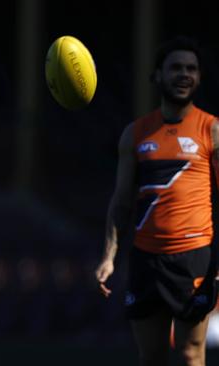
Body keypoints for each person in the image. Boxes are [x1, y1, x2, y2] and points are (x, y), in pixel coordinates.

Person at [95, 36, 218, 366]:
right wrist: (109, 256)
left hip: (194, 259)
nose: (184, 74)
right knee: (151, 357)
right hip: (146, 260)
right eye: (175, 67)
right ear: (158, 75)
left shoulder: (211, 130)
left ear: (199, 77)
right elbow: (121, 202)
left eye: (191, 69)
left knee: (192, 354)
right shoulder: (135, 134)